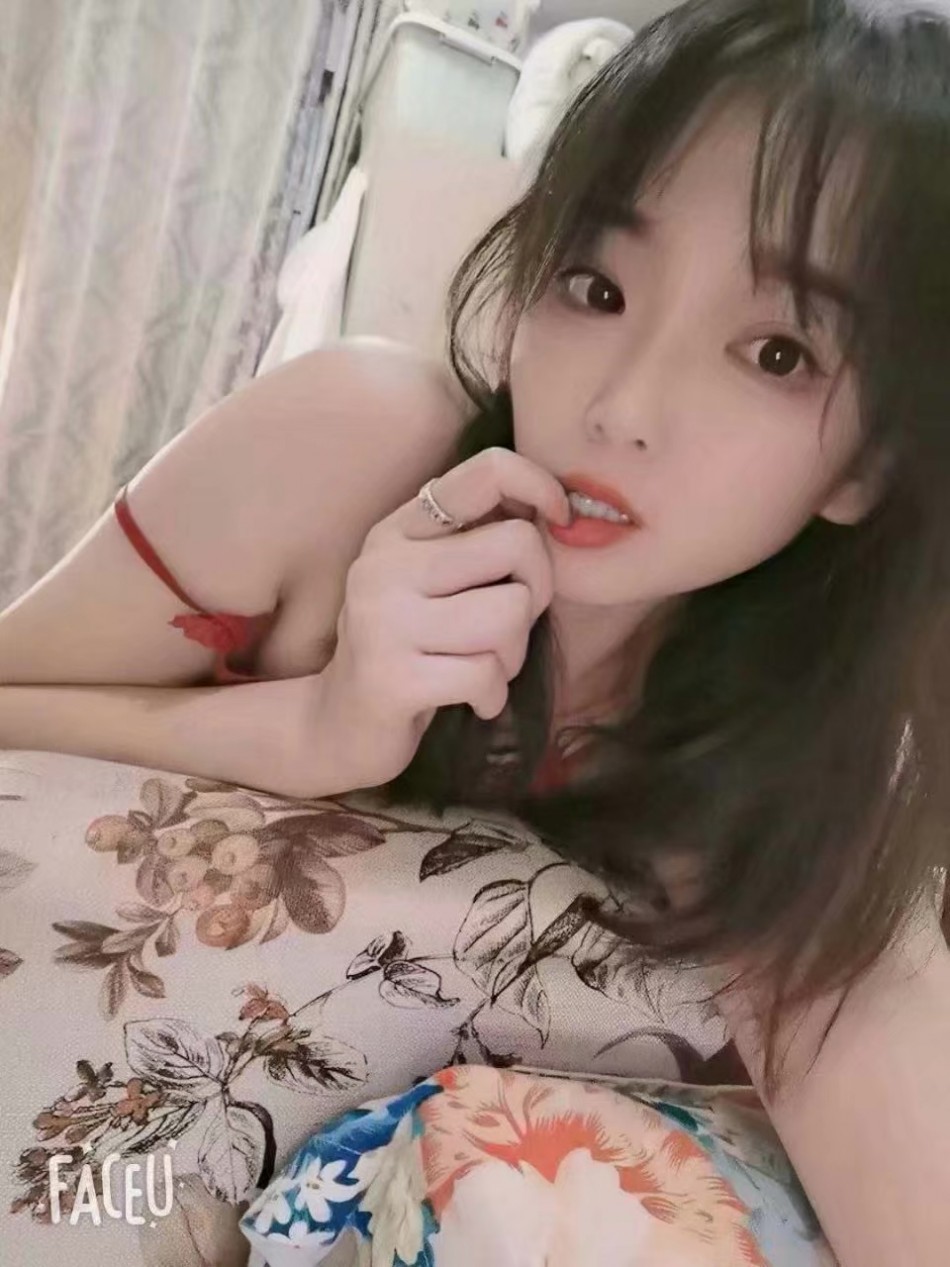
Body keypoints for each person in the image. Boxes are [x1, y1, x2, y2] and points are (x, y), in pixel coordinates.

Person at [2, 1, 950, 1260]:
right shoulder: (352, 444)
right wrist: (308, 729)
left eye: (775, 352)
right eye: (596, 287)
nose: (621, 406)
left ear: (871, 461)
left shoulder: (806, 771)